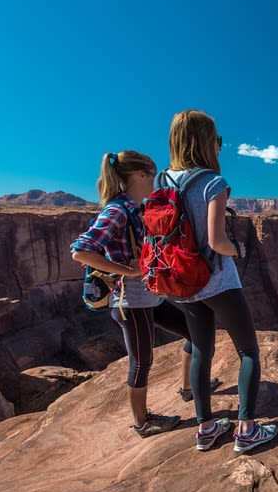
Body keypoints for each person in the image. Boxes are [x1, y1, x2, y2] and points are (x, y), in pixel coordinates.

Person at [70, 150, 217, 436]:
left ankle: (188, 388)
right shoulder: (116, 210)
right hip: (130, 301)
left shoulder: (139, 206)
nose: (157, 179)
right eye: (153, 173)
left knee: (194, 332)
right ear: (140, 175)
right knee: (142, 361)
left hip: (150, 295)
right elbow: (81, 251)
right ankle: (142, 422)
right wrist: (127, 270)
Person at [164, 109, 278, 453]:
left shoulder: (161, 181)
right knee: (248, 352)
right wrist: (239, 248)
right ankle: (246, 430)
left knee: (201, 350)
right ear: (207, 143)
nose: (220, 147)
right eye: (218, 141)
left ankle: (206, 428)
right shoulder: (213, 182)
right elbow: (216, 242)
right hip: (217, 283)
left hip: (181, 281)